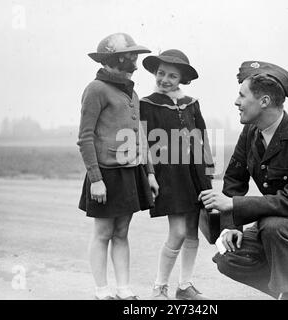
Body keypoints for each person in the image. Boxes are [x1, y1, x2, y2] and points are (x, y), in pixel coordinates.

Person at [199, 61, 288, 300]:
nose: (236, 102)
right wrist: (230, 227)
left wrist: (233, 205)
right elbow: (234, 180)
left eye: (242, 96)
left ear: (264, 101)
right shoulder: (251, 132)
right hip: (276, 225)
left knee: (274, 225)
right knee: (228, 257)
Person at [77, 33, 159, 300]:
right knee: (103, 233)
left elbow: (141, 136)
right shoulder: (96, 89)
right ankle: (102, 291)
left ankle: (124, 289)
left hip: (131, 172)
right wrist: (96, 179)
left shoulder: (131, 92)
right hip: (106, 174)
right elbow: (85, 137)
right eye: (131, 54)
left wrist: (149, 172)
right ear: (116, 58)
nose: (136, 59)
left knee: (122, 233)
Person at [140, 49, 214, 300]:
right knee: (178, 232)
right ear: (154, 73)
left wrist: (208, 172)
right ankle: (159, 287)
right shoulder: (146, 104)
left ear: (182, 79)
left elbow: (202, 138)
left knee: (192, 231)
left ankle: (185, 286)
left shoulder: (191, 103)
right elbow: (142, 143)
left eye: (172, 75)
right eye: (161, 73)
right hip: (169, 174)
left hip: (195, 175)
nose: (165, 80)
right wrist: (149, 174)